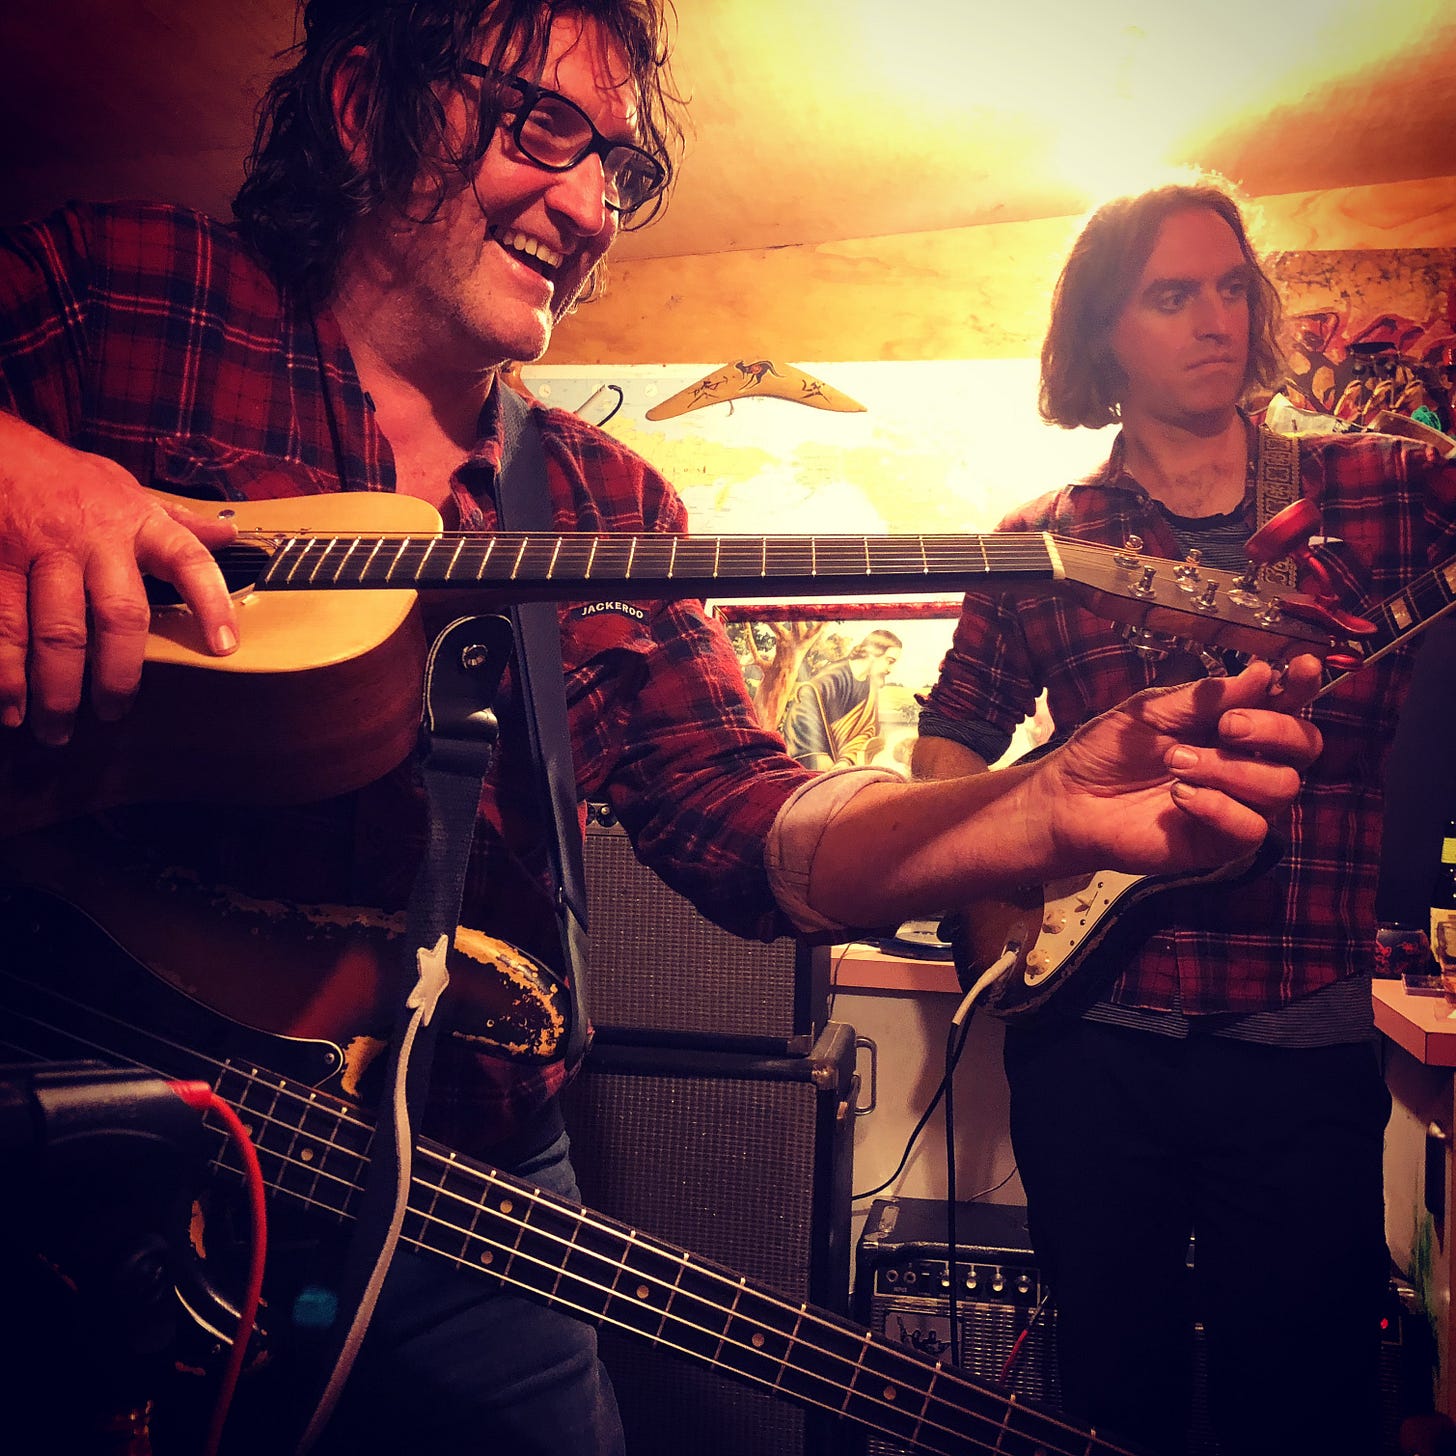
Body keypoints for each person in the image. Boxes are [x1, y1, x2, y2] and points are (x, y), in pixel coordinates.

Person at [0, 8, 1324, 1448]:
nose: (589, 210)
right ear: (365, 97)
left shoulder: (602, 503)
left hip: (463, 1169)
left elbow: (746, 822)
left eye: (619, 171)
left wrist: (1037, 805)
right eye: (544, 128)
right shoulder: (127, 298)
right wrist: (25, 472)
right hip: (74, 1120)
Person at [913, 180, 1456, 1456]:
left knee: (1308, 1400)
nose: (1216, 319)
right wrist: (992, 930)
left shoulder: (1379, 488)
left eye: (1228, 288)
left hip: (1299, 1034)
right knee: (1114, 1391)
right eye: (1170, 295)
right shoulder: (1043, 541)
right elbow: (949, 740)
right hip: (1090, 1039)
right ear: (1102, 332)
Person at [781, 627, 902, 769]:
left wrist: (846, 760)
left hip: (845, 764)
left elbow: (867, 731)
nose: (890, 669)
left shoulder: (870, 688)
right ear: (872, 653)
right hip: (815, 764)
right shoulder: (831, 679)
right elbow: (802, 714)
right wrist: (820, 756)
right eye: (890, 661)